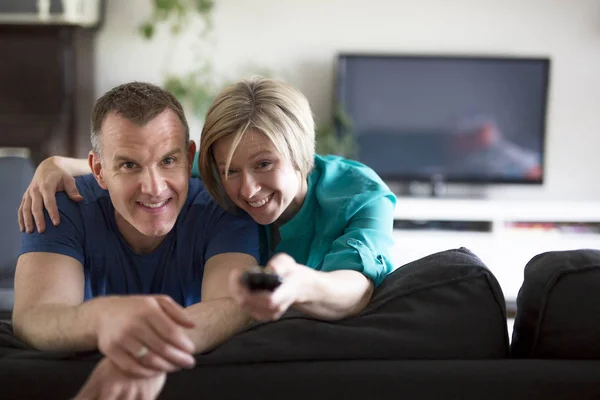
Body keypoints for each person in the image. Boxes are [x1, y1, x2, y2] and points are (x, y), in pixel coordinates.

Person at [20, 77, 397, 326]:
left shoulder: (358, 193)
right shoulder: (210, 176)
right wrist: (56, 165)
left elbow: (357, 286)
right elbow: (154, 170)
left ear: (301, 153)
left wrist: (301, 285)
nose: (248, 190)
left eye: (264, 164)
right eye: (230, 170)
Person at [13, 82, 261, 399]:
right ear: (99, 171)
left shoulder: (224, 211)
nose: (154, 188)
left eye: (169, 161)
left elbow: (232, 305)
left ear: (189, 158)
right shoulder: (58, 204)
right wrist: (104, 317)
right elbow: (34, 317)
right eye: (130, 165)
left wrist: (142, 354)